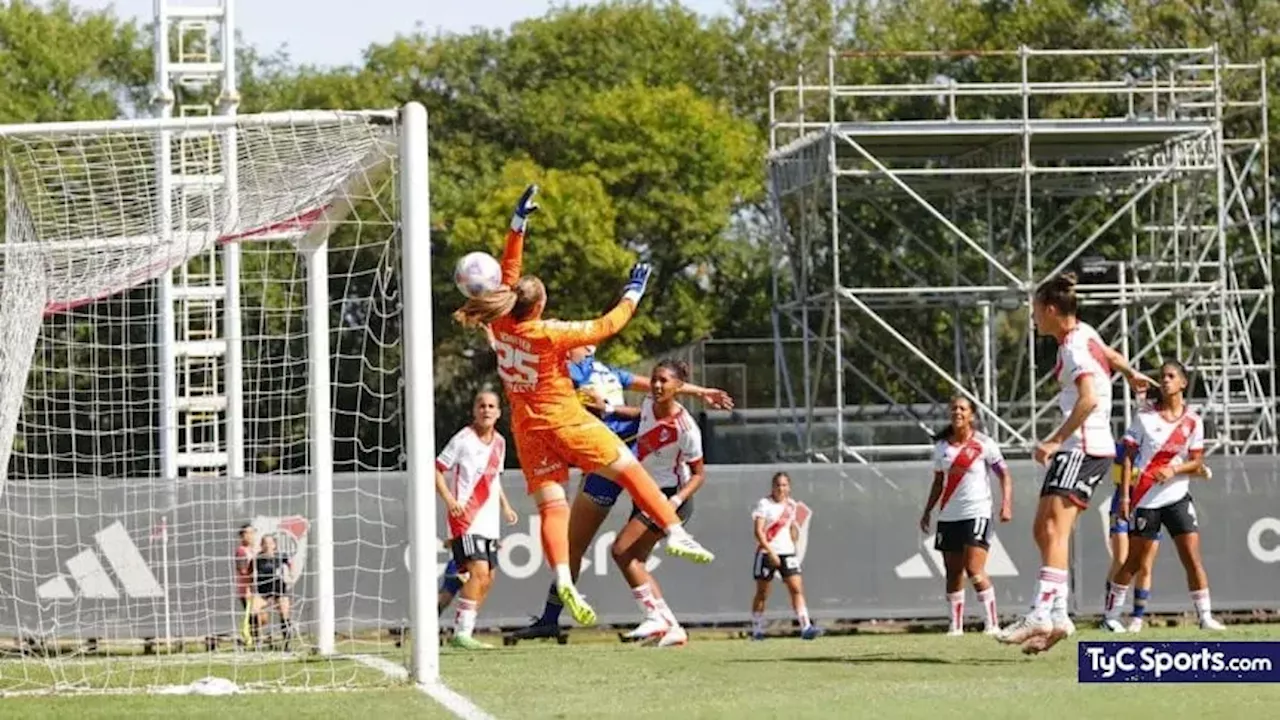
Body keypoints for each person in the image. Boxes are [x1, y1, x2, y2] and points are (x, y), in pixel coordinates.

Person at [452, 184, 714, 628]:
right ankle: (675, 531)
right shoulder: (548, 333)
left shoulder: (500, 319)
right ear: (541, 303)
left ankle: (563, 580)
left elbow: (510, 272)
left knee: (555, 508)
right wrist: (633, 291)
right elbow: (609, 323)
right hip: (565, 419)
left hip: (528, 431)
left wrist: (518, 227)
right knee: (629, 467)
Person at [508, 345, 732, 643]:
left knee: (624, 553)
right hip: (608, 463)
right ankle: (552, 619)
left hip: (630, 464)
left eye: (587, 339)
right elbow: (654, 391)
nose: (585, 345)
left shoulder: (609, 373)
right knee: (582, 547)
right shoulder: (560, 371)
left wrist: (700, 391)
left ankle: (660, 614)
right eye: (577, 340)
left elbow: (658, 385)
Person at [997, 272, 1150, 654]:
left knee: (1053, 528)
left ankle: (1040, 612)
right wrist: (1131, 374)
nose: (1033, 318)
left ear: (1050, 310)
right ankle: (1060, 613)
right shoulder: (1083, 333)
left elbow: (1088, 400)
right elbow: (1111, 356)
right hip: (1088, 449)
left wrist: (1054, 440)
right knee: (1044, 529)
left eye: (1035, 311)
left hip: (1081, 447)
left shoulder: (1072, 348)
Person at [1102, 360, 1225, 632]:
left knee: (1192, 558)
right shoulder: (1145, 418)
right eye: (1163, 376)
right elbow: (1128, 460)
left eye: (1171, 376)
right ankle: (1111, 615)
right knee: (1134, 561)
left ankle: (1205, 616)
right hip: (1146, 500)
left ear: (1183, 383)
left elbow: (1196, 461)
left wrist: (1175, 469)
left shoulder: (1193, 421)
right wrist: (1125, 498)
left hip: (1179, 498)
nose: (1166, 380)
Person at [613, 359, 707, 648]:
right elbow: (638, 415)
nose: (656, 385)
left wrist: (673, 502)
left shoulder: (686, 428)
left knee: (620, 551)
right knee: (634, 560)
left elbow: (700, 475)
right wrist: (606, 409)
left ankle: (654, 617)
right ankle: (672, 626)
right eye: (654, 379)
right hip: (646, 493)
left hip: (668, 497)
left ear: (678, 386)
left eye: (664, 381)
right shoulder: (647, 405)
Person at [919, 396, 1013, 636]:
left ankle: (991, 623)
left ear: (971, 415)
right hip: (949, 515)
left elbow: (1004, 475)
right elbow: (938, 482)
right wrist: (928, 511)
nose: (957, 412)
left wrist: (1006, 504)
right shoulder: (941, 447)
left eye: (962, 408)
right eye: (953, 408)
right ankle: (955, 625)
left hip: (977, 512)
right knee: (952, 572)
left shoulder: (984, 444)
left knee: (974, 569)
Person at [434, 390, 519, 649]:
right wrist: (450, 500)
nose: (486, 410)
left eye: (492, 406)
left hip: (489, 520)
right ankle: (461, 633)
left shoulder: (501, 443)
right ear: (474, 410)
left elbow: (494, 479)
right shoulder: (463, 439)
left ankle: (463, 632)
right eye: (481, 405)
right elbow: (436, 470)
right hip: (466, 518)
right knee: (478, 572)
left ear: (499, 412)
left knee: (488, 578)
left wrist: (506, 507)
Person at [750, 472, 821, 641]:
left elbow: (792, 531)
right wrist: (771, 551)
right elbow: (758, 531)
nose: (781, 489)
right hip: (767, 552)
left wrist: (795, 532)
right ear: (773, 487)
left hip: (787, 552)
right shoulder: (764, 504)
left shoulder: (792, 506)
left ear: (789, 487)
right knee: (762, 592)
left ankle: (806, 627)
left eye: (784, 485)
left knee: (796, 589)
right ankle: (757, 629)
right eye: (778, 485)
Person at [252, 534, 295, 650]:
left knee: (284, 613)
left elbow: (290, 563)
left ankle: (287, 644)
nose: (267, 546)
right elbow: (250, 571)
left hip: (278, 589)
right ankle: (257, 642)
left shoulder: (281, 556)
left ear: (275, 545)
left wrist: (291, 574)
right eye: (265, 543)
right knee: (254, 612)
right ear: (261, 545)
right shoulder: (258, 558)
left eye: (270, 543)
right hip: (263, 591)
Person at [234, 524, 257, 646]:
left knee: (259, 616)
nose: (252, 536)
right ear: (243, 536)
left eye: (253, 533)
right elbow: (243, 570)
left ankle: (250, 639)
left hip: (255, 589)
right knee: (251, 615)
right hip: (246, 589)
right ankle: (249, 640)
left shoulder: (253, 550)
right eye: (249, 533)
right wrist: (248, 588)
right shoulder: (241, 551)